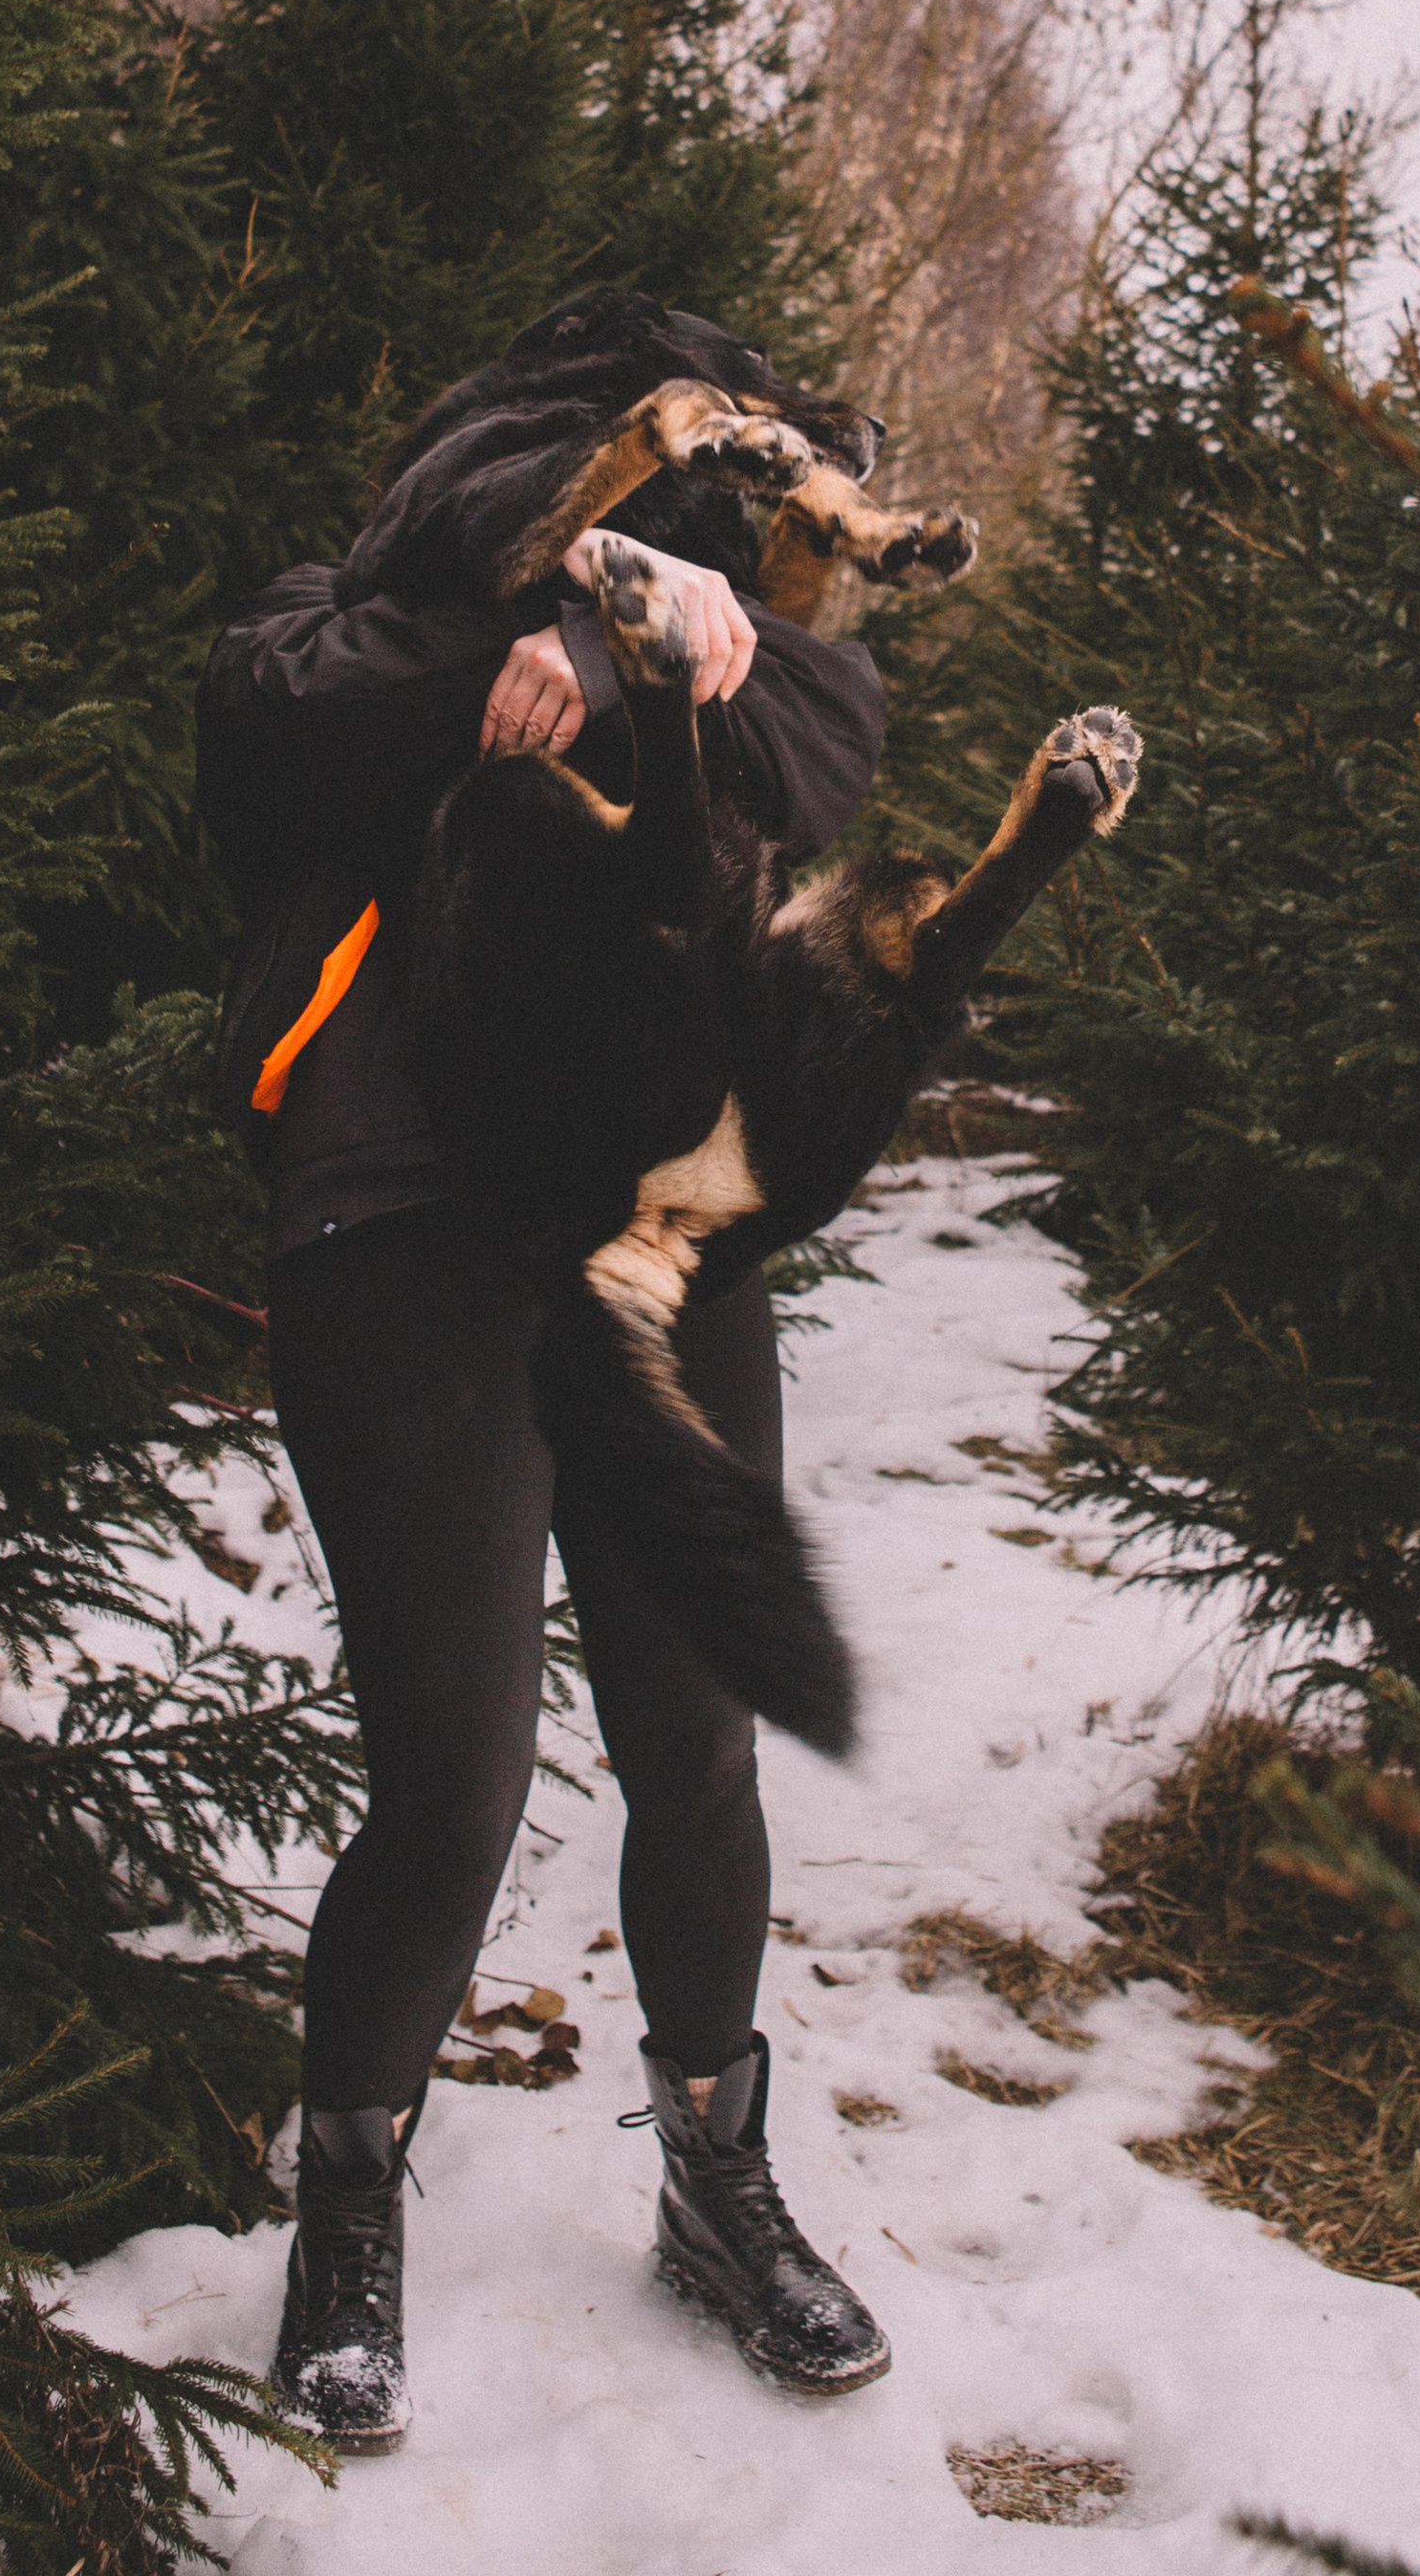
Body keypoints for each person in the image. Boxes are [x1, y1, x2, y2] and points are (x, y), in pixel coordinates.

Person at [197, 402, 895, 2455]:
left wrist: (645, 647)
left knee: (695, 1734)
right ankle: (348, 2210)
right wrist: (566, 636)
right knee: (456, 1772)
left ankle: (714, 2179)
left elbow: (823, 746)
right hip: (401, 1220)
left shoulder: (725, 631)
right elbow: (278, 730)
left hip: (648, 1235)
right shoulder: (330, 624)